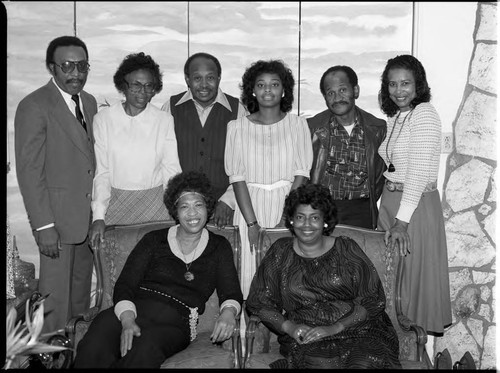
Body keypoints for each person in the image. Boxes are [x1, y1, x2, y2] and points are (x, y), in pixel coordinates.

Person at [73, 171, 244, 368]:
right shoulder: (154, 240)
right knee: (96, 341)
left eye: (198, 205)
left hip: (176, 321)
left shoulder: (219, 246)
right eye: (184, 207)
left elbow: (231, 291)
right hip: (135, 309)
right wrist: (128, 320)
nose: (192, 213)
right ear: (175, 211)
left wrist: (229, 312)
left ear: (208, 208)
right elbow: (125, 284)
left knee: (145, 349)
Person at [246, 183, 401, 369]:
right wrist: (290, 327)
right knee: (319, 363)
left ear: (324, 221)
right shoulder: (280, 251)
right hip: (309, 334)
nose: (307, 225)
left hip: (358, 329)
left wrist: (335, 328)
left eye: (314, 218)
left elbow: (372, 298)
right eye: (300, 217)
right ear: (292, 221)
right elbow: (259, 301)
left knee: (365, 360)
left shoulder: (346, 248)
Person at [14, 36, 96, 334]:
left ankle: (73, 352)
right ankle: (45, 357)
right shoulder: (34, 105)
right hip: (56, 224)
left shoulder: (88, 102)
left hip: (86, 220)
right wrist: (43, 225)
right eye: (67, 66)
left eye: (82, 65)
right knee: (53, 301)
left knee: (79, 298)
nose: (76, 73)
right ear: (52, 68)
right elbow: (29, 171)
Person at [225, 59, 313, 298]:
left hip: (287, 206)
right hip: (249, 209)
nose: (267, 90)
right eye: (261, 85)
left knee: (288, 277)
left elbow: (301, 174)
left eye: (274, 84)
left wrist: (287, 219)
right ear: (252, 90)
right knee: (249, 275)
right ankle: (247, 333)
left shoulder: (298, 125)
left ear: (283, 89)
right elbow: (238, 178)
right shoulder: (236, 127)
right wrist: (252, 225)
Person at [377, 54, 452, 335]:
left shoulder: (424, 113)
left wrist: (402, 222)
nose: (398, 90)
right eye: (392, 84)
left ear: (418, 85)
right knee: (393, 278)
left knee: (411, 282)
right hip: (392, 202)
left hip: (414, 208)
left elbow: (418, 173)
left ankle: (413, 352)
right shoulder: (397, 116)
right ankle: (393, 344)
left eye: (405, 83)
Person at [89, 52, 181, 248]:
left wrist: (177, 210)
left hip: (156, 208)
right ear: (124, 85)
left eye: (149, 86)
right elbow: (102, 172)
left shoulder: (163, 120)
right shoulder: (104, 119)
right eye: (136, 85)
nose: (143, 91)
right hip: (115, 206)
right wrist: (98, 216)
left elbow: (171, 170)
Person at [161, 52, 247, 228]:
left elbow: (245, 163)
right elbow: (162, 159)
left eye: (210, 78)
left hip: (223, 212)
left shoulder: (238, 110)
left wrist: (228, 201)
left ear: (219, 78)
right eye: (197, 78)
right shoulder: (170, 107)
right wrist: (176, 200)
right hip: (180, 208)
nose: (204, 85)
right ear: (187, 79)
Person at [308, 65, 386, 229]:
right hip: (322, 210)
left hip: (362, 211)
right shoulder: (312, 128)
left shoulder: (377, 129)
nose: (337, 98)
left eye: (343, 90)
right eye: (330, 93)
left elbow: (380, 176)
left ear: (356, 91)